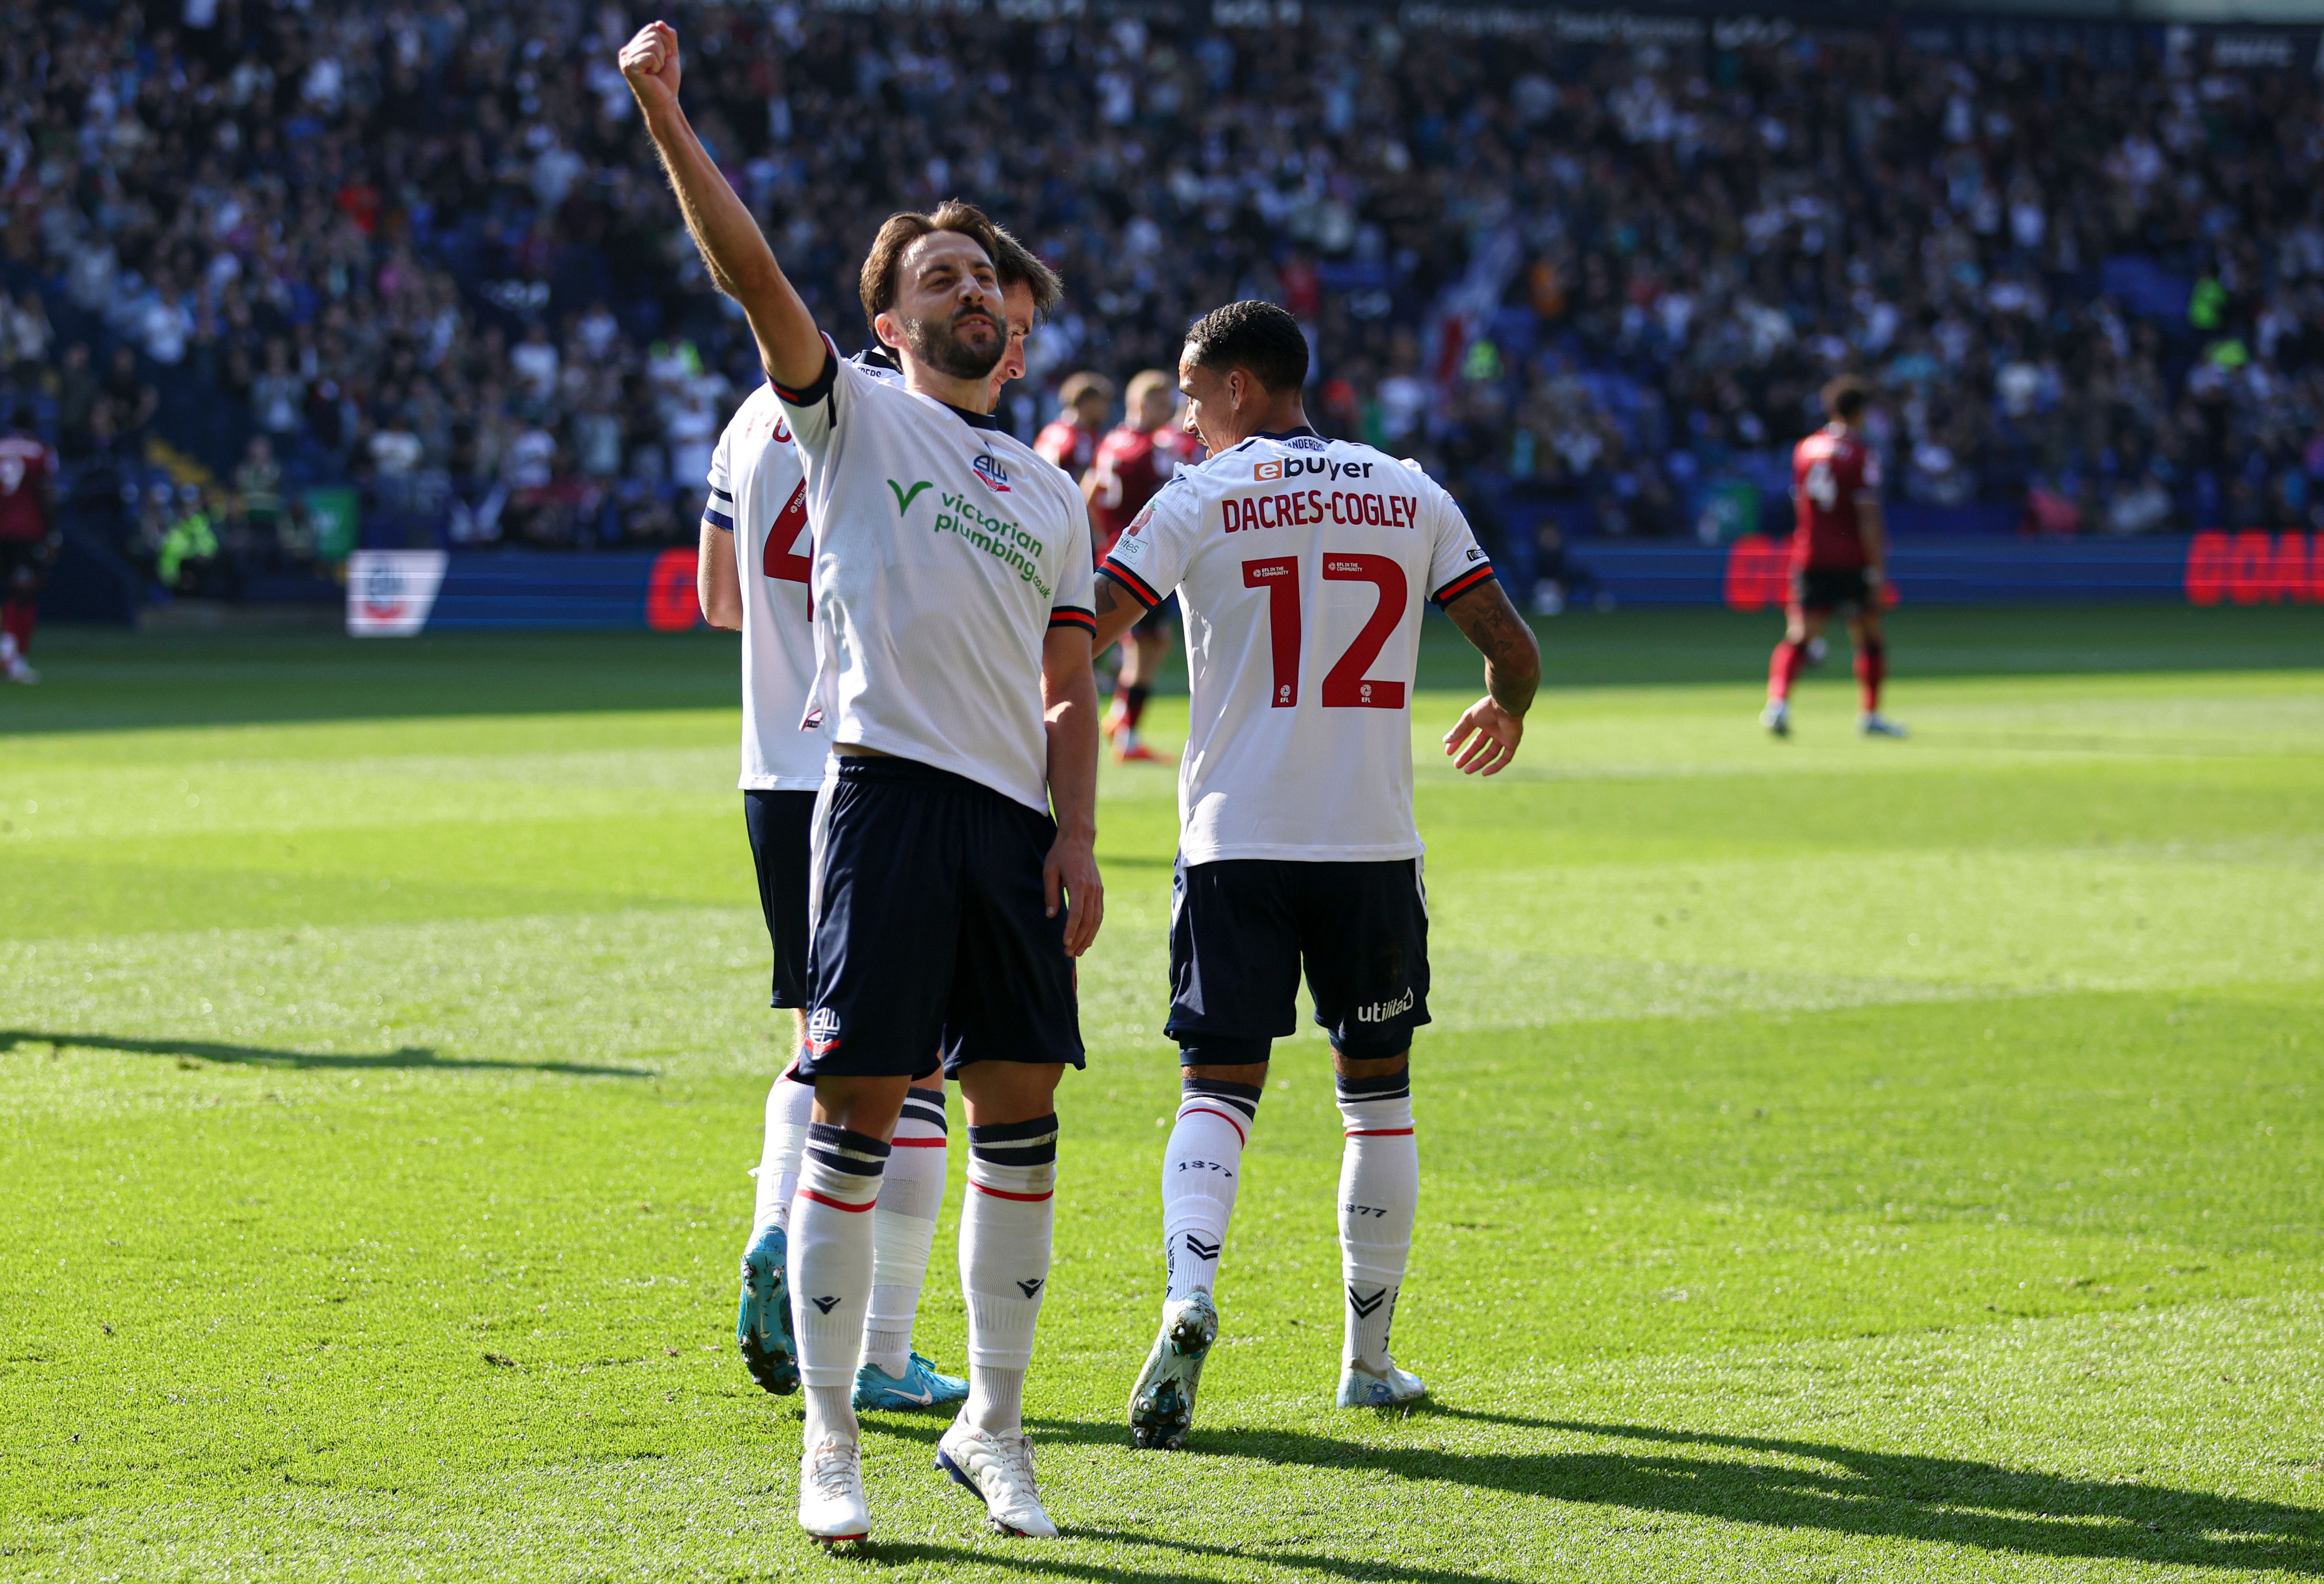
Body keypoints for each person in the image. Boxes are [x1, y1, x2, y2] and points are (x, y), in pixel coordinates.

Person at [622, 21, 1103, 1545]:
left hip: (1014, 824)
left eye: (989, 277)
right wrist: (663, 113)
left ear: (1014, 322)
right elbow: (745, 272)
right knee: (858, 1105)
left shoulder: (1051, 489)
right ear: (884, 324)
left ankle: (994, 1426)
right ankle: (829, 1442)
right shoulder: (847, 418)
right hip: (882, 797)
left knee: (1019, 1119)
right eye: (939, 277)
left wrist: (1082, 838)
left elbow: (1072, 679)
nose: (974, 289)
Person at [1086, 301, 1541, 1448]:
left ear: (1239, 389)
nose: (1186, 425)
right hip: (1368, 845)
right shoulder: (1409, 490)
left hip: (1235, 840)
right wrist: (1505, 706)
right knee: (1375, 1096)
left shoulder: (1197, 497)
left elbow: (1089, 622)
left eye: (1192, 399)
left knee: (1215, 1090)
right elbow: (1511, 646)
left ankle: (1189, 1295)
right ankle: (1368, 1360)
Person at [700, 233, 1063, 1421]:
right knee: (903, 1073)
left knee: (829, 1031)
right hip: (897, 755)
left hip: (779, 758)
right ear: (897, 320)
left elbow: (714, 597)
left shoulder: (756, 415)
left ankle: (778, 1222)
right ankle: (880, 1344)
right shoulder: (880, 423)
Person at [1764, 375, 1905, 739]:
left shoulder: (1805, 449)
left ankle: (1777, 705)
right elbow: (1868, 517)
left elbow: (1800, 505)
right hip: (1852, 559)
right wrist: (1878, 569)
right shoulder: (1860, 455)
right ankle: (1870, 715)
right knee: (1869, 636)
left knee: (1800, 635)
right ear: (1859, 413)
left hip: (1811, 554)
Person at [1085, 369, 1199, 761]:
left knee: (1150, 642)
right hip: (1143, 556)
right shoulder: (1153, 447)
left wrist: (1103, 538)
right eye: (1160, 402)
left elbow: (1089, 494)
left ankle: (1120, 717)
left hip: (1117, 551)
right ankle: (1127, 732)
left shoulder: (1111, 442)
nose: (1166, 410)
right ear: (1139, 403)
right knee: (1143, 646)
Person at [0, 407, 57, 684]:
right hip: (25, 531)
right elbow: (46, 493)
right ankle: (13, 655)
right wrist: (53, 532)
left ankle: (11, 653)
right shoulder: (40, 452)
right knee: (24, 591)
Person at [1034, 371, 1112, 478]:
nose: (1106, 409)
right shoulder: (1080, 437)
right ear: (1087, 403)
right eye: (1103, 402)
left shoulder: (1051, 431)